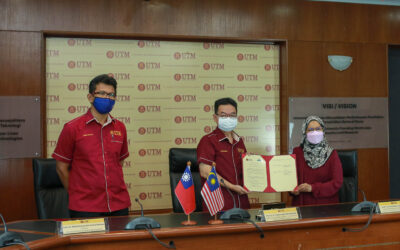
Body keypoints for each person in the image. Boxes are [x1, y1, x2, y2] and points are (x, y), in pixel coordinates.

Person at [52, 74, 131, 218]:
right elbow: (61, 168)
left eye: (111, 94)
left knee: (120, 241)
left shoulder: (120, 127)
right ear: (90, 97)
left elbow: (118, 162)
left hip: (119, 204)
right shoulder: (72, 128)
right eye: (102, 93)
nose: (107, 98)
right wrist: (77, 194)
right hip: (85, 207)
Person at [197, 97, 250, 211]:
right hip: (220, 205)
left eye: (232, 115)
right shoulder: (208, 140)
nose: (228, 118)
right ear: (215, 118)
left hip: (242, 203)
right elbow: (205, 172)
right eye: (223, 115)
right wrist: (232, 187)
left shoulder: (239, 141)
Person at [291, 116, 343, 206]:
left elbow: (337, 182)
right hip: (302, 207)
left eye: (318, 129)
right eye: (310, 129)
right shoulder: (297, 152)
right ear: (304, 132)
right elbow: (290, 179)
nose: (315, 132)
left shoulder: (331, 154)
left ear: (323, 131)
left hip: (326, 208)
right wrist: (292, 189)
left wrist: (313, 188)